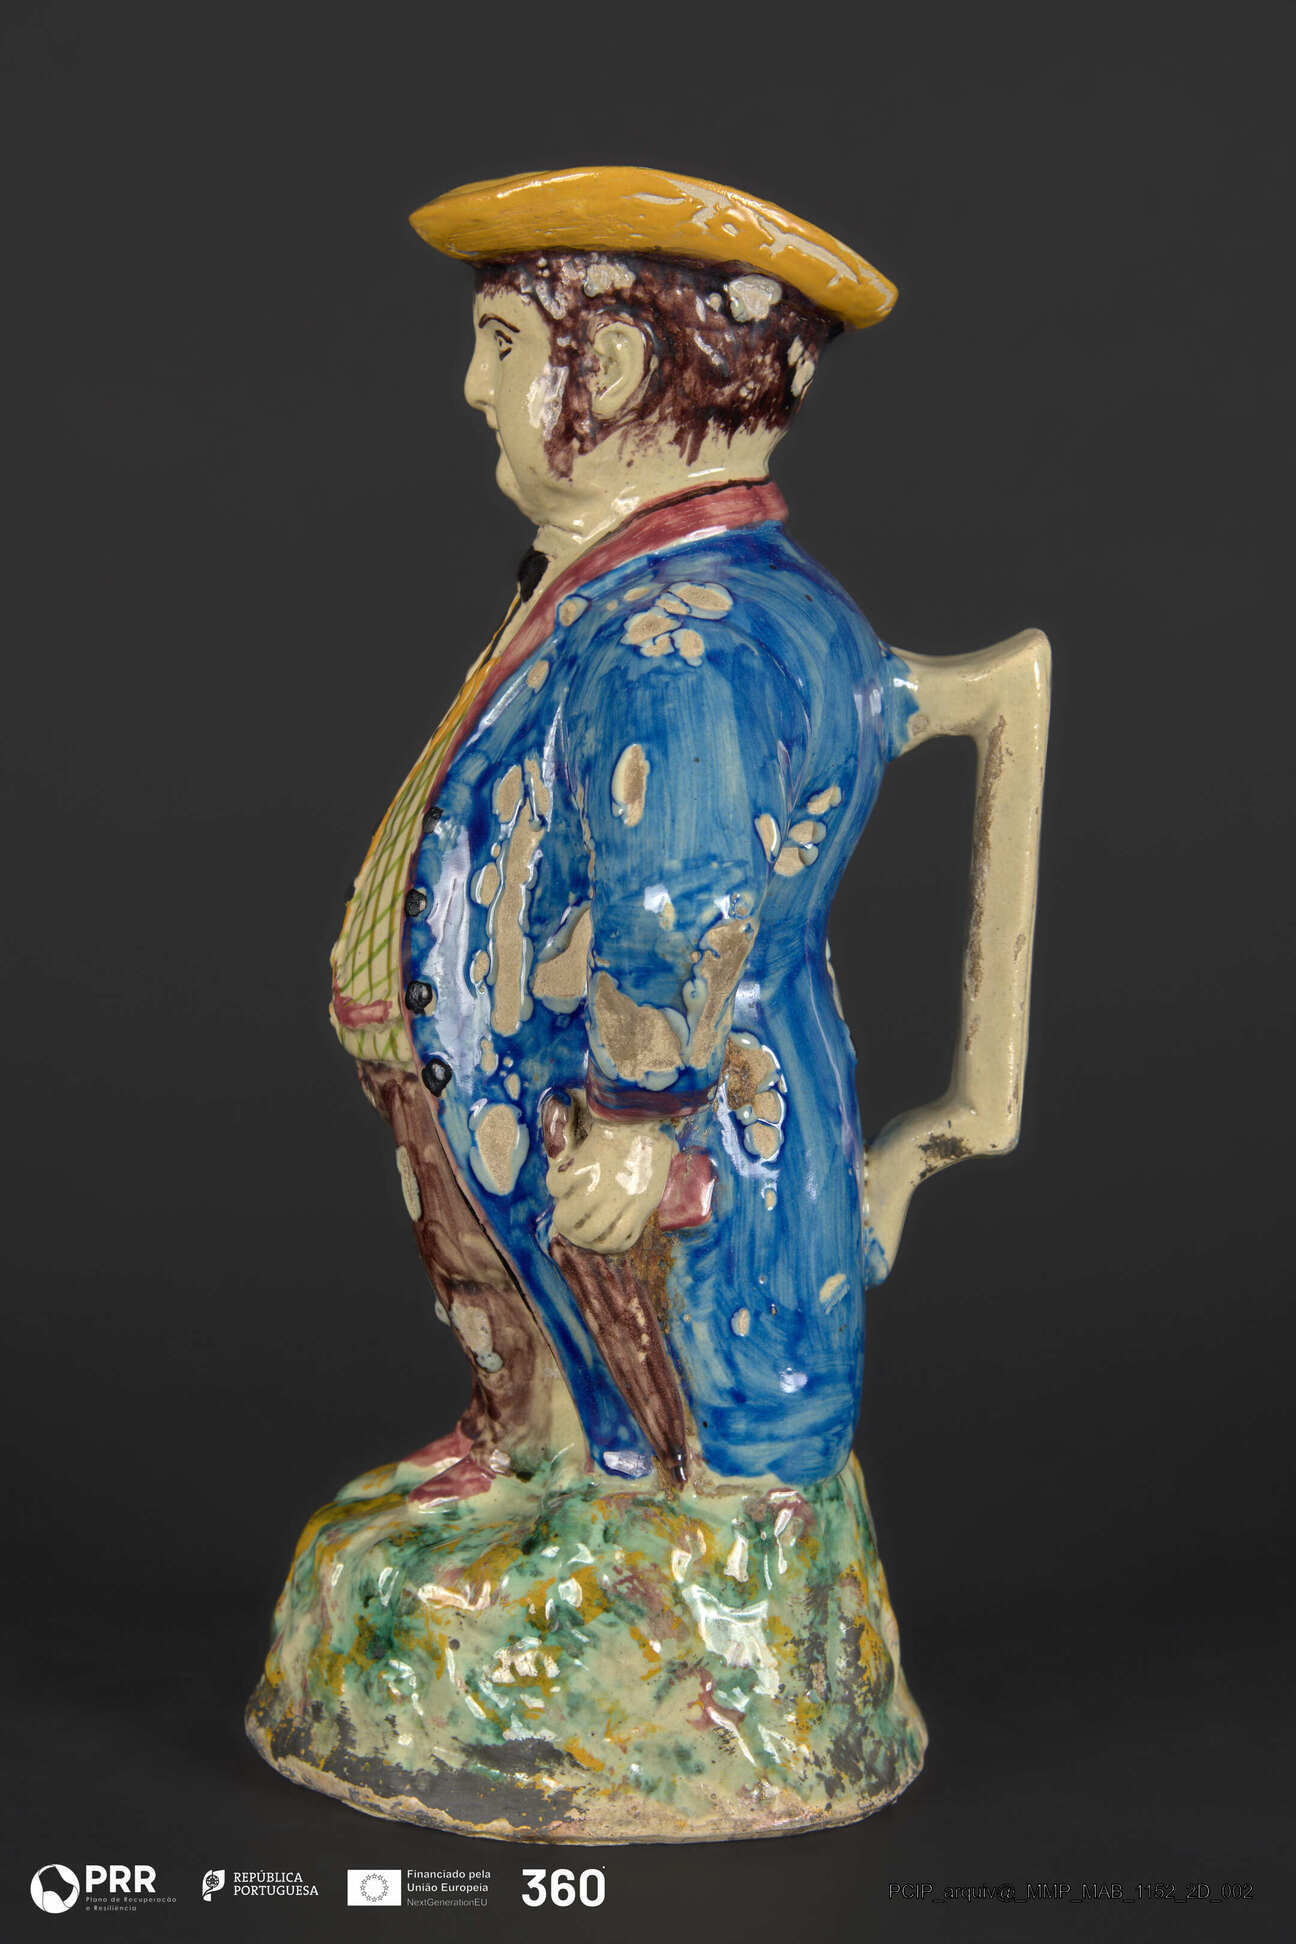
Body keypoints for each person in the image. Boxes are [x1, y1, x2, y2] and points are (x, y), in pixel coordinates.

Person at [328, 166, 1048, 1497]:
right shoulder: (638, 588)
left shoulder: (689, 636)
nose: (475, 388)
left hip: (658, 1169)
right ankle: (541, 1453)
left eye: (503, 344)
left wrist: (638, 1116)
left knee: (693, 1441)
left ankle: (657, 1520)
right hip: (535, 1136)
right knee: (566, 1365)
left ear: (607, 367)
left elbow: (681, 899)